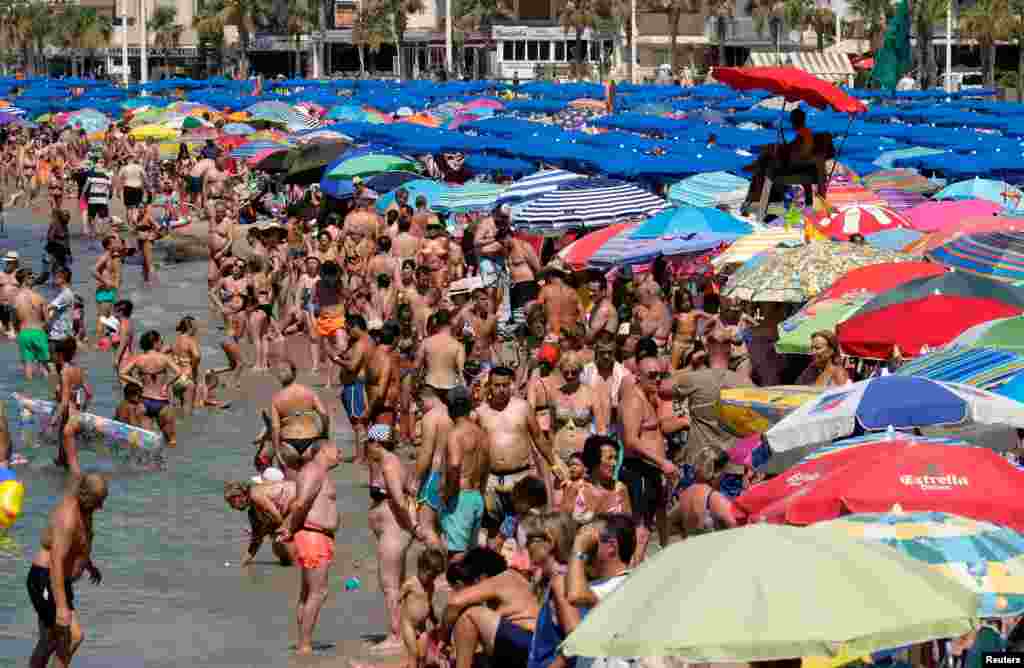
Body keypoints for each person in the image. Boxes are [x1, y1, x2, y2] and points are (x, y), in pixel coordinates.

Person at [27, 474, 108, 668]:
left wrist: (88, 565)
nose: (101, 507)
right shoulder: (67, 518)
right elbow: (56, 560)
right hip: (45, 578)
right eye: (98, 502)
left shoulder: (85, 510)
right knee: (69, 637)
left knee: (53, 640)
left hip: (59, 580)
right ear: (86, 497)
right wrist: (62, 607)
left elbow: (79, 544)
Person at [475, 367, 567, 533]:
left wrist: (554, 464)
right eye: (497, 385)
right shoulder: (480, 412)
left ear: (511, 385)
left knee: (526, 530)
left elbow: (539, 437)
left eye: (505, 385)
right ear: (489, 386)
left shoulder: (523, 408)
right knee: (492, 531)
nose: (501, 389)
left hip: (520, 478)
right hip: (491, 480)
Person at [276, 440, 342, 655]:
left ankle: (302, 642)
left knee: (308, 594)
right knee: (318, 593)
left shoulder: (315, 471)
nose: (339, 452)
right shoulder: (314, 471)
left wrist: (290, 528)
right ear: (322, 451)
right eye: (335, 449)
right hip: (314, 536)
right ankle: (304, 645)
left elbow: (299, 501)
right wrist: (289, 528)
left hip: (314, 535)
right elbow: (301, 502)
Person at [365, 424, 420, 653]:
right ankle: (409, 629)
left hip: (394, 530)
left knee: (389, 585)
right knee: (399, 583)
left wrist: (412, 525)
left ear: (377, 443)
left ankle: (396, 636)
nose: (366, 448)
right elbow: (411, 489)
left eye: (368, 443)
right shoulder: (393, 462)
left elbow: (398, 499)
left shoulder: (388, 464)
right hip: (395, 530)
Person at [443, 547, 539, 668]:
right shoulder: (515, 578)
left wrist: (443, 639)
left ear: (482, 577)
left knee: (468, 615)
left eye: (473, 581)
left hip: (528, 645)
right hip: (531, 646)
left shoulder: (502, 579)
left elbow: (454, 603)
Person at [565, 514, 636, 668]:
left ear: (611, 547)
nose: (588, 546)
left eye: (592, 541)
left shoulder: (618, 586)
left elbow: (575, 595)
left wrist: (579, 546)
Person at [524, 512, 581, 668]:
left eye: (530, 540)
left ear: (550, 542)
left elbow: (575, 638)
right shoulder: (558, 579)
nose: (525, 545)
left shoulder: (561, 582)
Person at [442, 386, 489, 558]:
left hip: (460, 497)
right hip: (477, 496)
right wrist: (480, 495)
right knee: (471, 555)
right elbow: (486, 468)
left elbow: (454, 466)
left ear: (450, 408)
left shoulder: (455, 435)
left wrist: (447, 495)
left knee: (456, 556)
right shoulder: (482, 434)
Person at [119, 330, 183, 448]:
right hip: (162, 402)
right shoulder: (164, 358)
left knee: (145, 442)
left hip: (144, 401)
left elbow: (122, 373)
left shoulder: (138, 358)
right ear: (154, 343)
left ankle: (145, 465)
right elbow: (179, 372)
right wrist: (167, 385)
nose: (162, 343)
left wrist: (137, 382)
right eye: (160, 341)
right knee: (172, 441)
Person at [268, 360, 330, 478]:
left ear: (278, 377)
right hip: (310, 441)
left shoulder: (276, 399)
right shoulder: (309, 393)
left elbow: (275, 428)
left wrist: (276, 451)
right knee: (311, 482)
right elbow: (324, 415)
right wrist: (325, 435)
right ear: (295, 373)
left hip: (288, 443)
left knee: (291, 483)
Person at [224, 479, 298, 566]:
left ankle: (295, 565)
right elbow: (255, 542)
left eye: (231, 502)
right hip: (293, 506)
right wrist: (241, 564)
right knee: (280, 550)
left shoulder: (254, 495)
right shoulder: (252, 512)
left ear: (238, 496)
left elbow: (277, 516)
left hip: (300, 498)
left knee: (279, 540)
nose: (232, 507)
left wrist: (267, 530)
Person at [414, 384, 452, 551]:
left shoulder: (430, 418)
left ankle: (439, 570)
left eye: (420, 406)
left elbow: (426, 454)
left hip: (434, 475)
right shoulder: (455, 413)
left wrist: (415, 480)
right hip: (454, 476)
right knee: (446, 529)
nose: (420, 411)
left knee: (426, 528)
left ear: (424, 400)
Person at [397, 548, 448, 668]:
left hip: (422, 626)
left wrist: (434, 619)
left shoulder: (431, 586)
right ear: (421, 568)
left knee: (423, 655)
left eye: (435, 577)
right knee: (413, 653)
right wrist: (397, 621)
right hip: (408, 624)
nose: (432, 579)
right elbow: (398, 600)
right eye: (430, 576)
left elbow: (428, 604)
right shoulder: (410, 584)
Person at [52, 338, 92, 476]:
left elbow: (64, 402)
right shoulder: (78, 369)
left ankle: (78, 486)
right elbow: (89, 394)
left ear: (60, 355)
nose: (52, 357)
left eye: (54, 354)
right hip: (77, 417)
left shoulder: (64, 372)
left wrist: (53, 421)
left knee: (74, 466)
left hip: (69, 421)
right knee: (63, 461)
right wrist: (81, 411)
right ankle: (62, 486)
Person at [14, 267, 52, 380]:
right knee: (46, 365)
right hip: (38, 332)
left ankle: (29, 392)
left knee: (27, 365)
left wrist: (17, 332)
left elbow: (15, 321)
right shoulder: (39, 298)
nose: (34, 278)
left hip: (23, 334)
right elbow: (47, 321)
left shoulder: (15, 299)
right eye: (31, 276)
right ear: (25, 279)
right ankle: (50, 389)